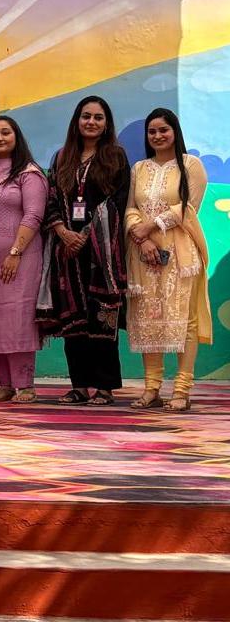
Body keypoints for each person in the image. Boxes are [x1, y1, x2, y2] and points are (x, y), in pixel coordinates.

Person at [36, 95, 130, 405]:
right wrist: (63, 232)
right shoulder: (63, 157)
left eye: (98, 117)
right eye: (86, 116)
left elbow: (118, 201)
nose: (91, 122)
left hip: (102, 256)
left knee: (102, 321)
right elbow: (50, 198)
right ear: (77, 121)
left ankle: (104, 387)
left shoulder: (115, 157)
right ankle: (79, 386)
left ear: (106, 124)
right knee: (73, 322)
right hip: (67, 254)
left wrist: (87, 234)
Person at [126, 108, 211, 412]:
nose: (158, 136)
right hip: (144, 255)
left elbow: (189, 207)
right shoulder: (139, 168)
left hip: (180, 254)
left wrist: (151, 225)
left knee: (184, 320)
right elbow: (130, 209)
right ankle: (152, 389)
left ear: (175, 131)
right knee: (148, 319)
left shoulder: (191, 165)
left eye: (164, 130)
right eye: (152, 131)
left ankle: (182, 390)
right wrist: (143, 238)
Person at [0, 116, 48, 402]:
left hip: (21, 257)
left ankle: (25, 384)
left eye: (5, 132)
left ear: (17, 137)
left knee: (18, 318)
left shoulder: (29, 173)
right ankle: (3, 383)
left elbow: (34, 215)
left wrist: (15, 252)